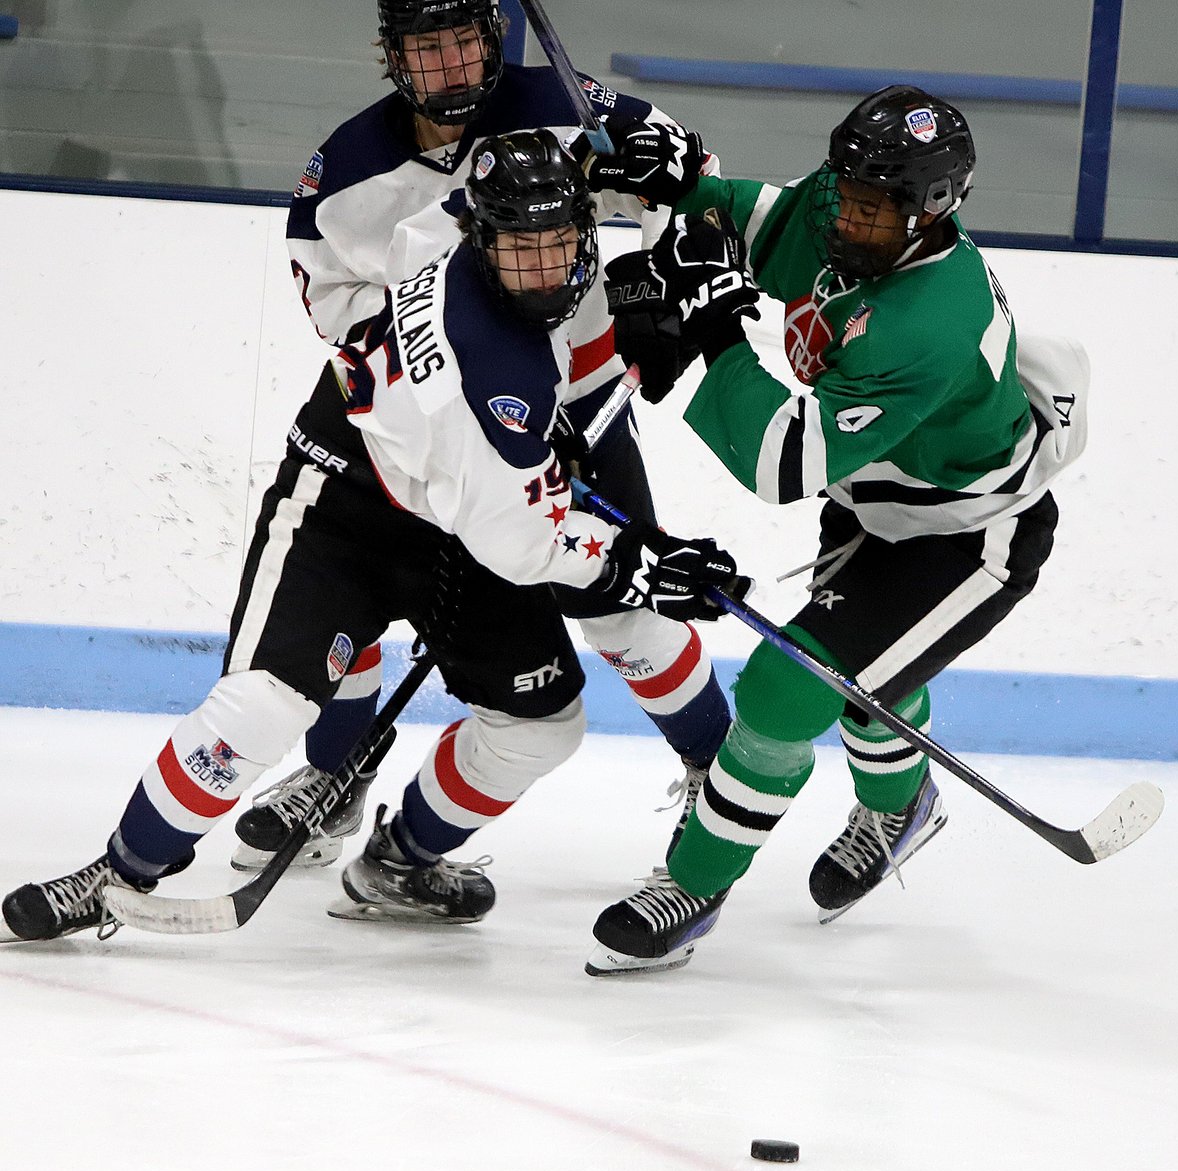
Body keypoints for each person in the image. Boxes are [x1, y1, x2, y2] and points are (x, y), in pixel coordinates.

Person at [0, 130, 742, 943]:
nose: (541, 269)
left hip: (452, 508)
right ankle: (120, 870)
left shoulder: (447, 228)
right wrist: (636, 564)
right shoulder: (498, 377)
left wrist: (602, 170)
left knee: (541, 723)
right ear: (487, 241)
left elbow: (473, 224)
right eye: (520, 249)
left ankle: (400, 861)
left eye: (558, 242)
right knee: (261, 707)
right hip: (347, 502)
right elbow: (521, 543)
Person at [585, 86, 1089, 975]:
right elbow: (763, 220)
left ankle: (694, 887)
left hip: (967, 539)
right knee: (865, 671)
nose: (846, 217)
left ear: (930, 209)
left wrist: (717, 331)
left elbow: (783, 462)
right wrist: (683, 188)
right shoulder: (856, 204)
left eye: (869, 207)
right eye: (846, 193)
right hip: (873, 506)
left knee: (787, 686)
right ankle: (904, 807)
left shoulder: (928, 325)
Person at [231, 0, 731, 873]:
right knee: (353, 585)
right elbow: (339, 310)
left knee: (625, 610)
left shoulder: (568, 107)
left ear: (493, 38)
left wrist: (661, 274)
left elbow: (696, 181)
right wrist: (460, 387)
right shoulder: (344, 170)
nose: (454, 64)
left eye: (467, 39)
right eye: (430, 46)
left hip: (584, 403)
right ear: (392, 54)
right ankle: (338, 770)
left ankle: (716, 778)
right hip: (423, 428)